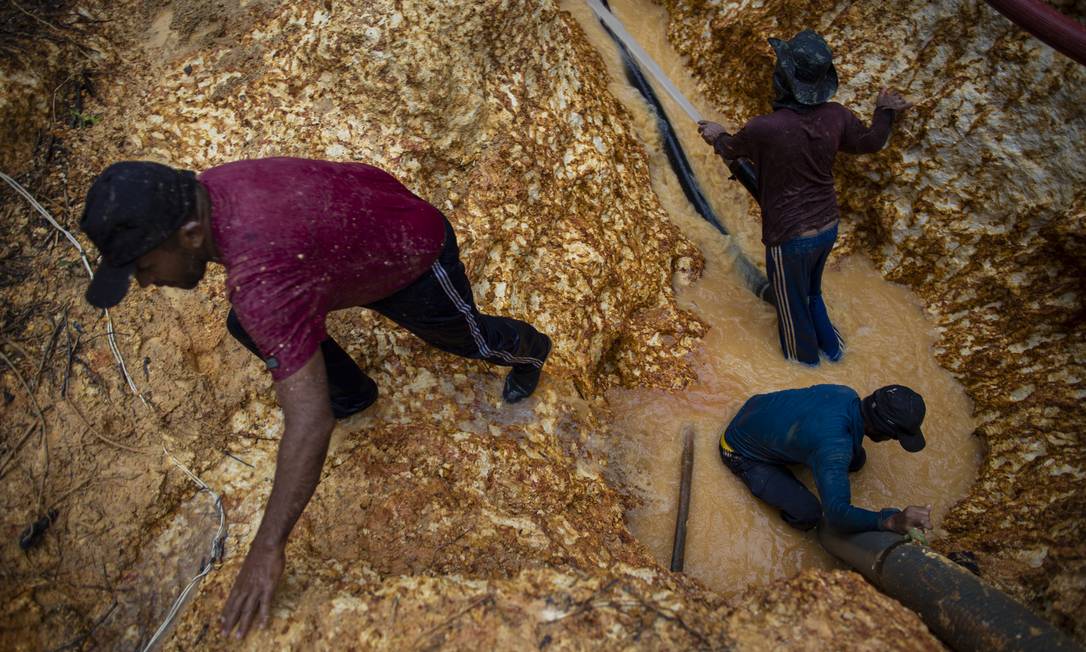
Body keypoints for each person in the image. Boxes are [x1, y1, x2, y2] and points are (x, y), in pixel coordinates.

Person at [78, 157, 552, 639]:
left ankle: (532, 352)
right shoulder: (207, 189)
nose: (146, 282)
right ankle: (353, 394)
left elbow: (309, 423)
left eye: (144, 265)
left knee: (469, 340)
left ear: (193, 233)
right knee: (248, 322)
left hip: (410, 252)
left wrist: (267, 547)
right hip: (349, 236)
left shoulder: (261, 279)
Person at [697, 30, 912, 365]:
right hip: (827, 226)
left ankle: (806, 368)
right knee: (812, 294)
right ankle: (838, 356)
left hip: (789, 239)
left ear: (784, 79)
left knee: (791, 307)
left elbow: (728, 148)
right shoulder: (836, 116)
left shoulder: (765, 127)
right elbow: (870, 142)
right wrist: (884, 113)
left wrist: (716, 133)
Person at [719, 384, 933, 534]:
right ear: (883, 431)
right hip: (738, 449)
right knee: (810, 514)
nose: (891, 441)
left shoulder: (845, 394)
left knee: (858, 461)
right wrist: (891, 521)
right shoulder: (834, 448)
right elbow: (837, 516)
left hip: (755, 409)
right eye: (895, 437)